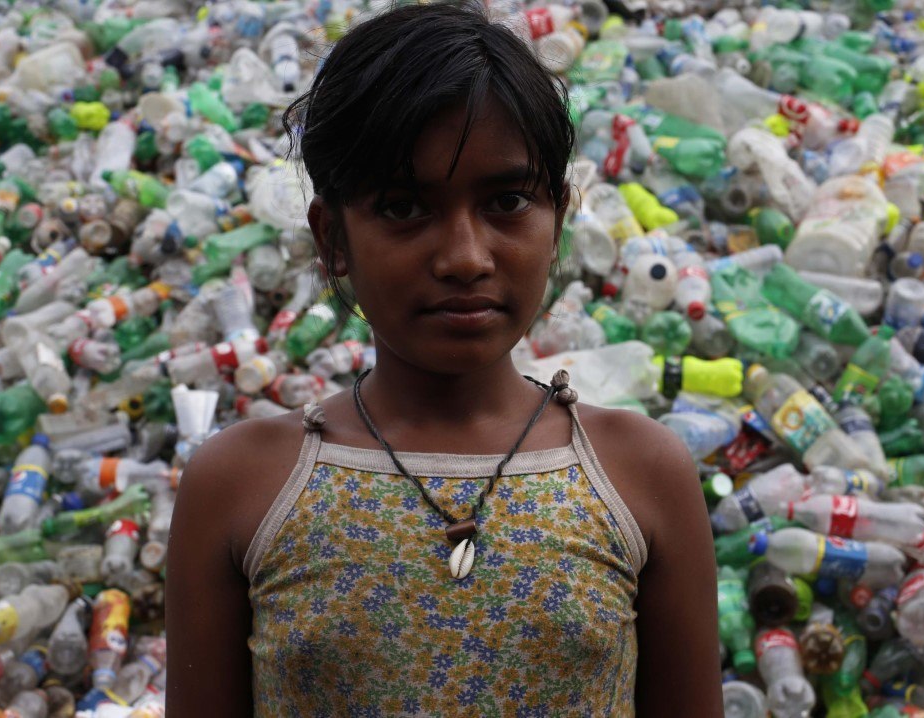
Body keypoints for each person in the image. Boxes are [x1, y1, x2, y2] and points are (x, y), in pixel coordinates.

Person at [166, 2, 722, 715]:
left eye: (509, 201)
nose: (465, 257)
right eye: (403, 207)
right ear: (333, 238)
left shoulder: (640, 474)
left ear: (558, 217)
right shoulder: (242, 487)